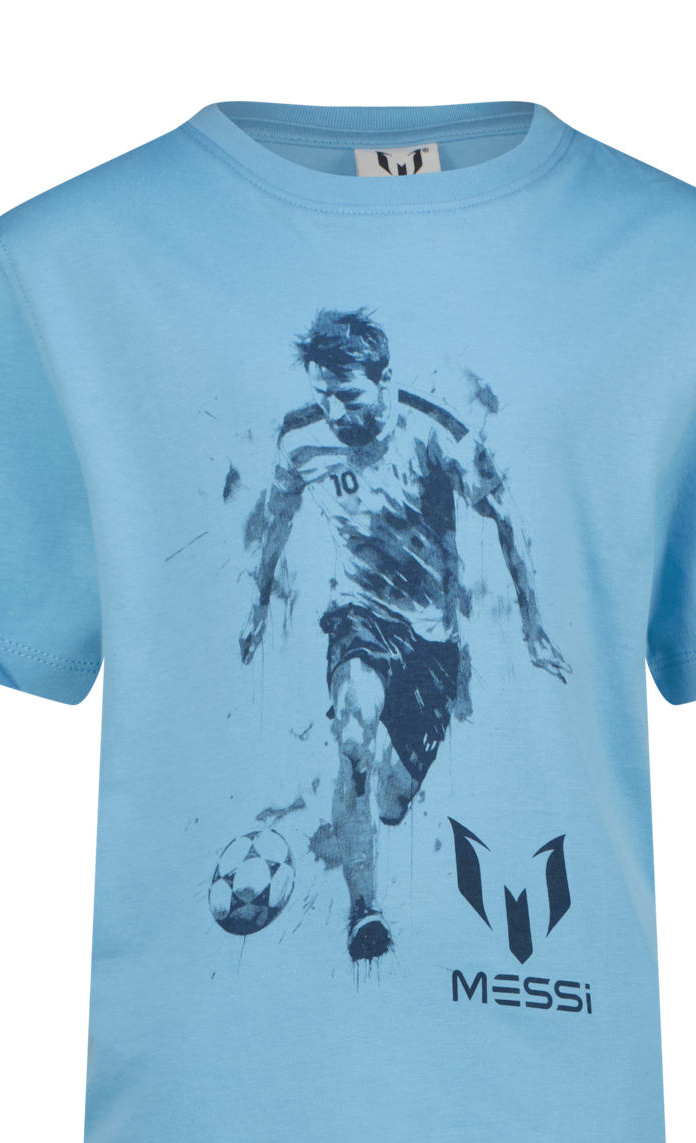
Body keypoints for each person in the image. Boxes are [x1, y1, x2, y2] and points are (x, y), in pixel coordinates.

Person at [239, 309, 570, 961]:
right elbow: (276, 518)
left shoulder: (437, 434)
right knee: (354, 737)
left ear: (384, 379)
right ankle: (364, 913)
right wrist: (256, 604)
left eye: (348, 394)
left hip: (433, 641)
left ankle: (368, 809)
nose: (334, 410)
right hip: (359, 615)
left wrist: (534, 627)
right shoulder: (301, 440)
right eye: (322, 395)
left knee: (392, 800)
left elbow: (509, 519)